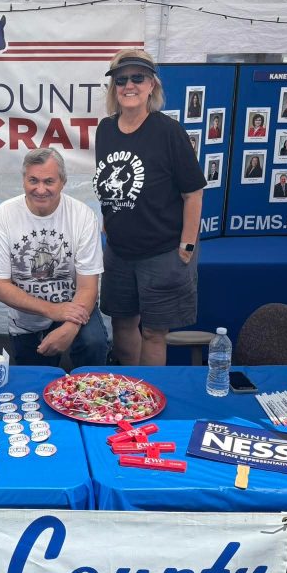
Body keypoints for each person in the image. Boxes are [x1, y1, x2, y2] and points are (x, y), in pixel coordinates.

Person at [95, 49, 205, 366]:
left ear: (152, 84)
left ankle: (148, 398)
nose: (129, 85)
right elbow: (107, 178)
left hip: (162, 251)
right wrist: (108, 218)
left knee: (154, 333)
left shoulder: (168, 132)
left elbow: (193, 193)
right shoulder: (105, 129)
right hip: (119, 252)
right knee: (122, 323)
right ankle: (128, 391)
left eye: (137, 78)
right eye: (121, 79)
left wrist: (186, 244)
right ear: (114, 87)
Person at [0, 148, 107, 368]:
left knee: (94, 343)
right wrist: (53, 310)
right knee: (34, 381)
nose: (40, 189)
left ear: (63, 182)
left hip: (74, 308)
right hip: (26, 318)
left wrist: (69, 325)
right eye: (33, 180)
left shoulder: (83, 216)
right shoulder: (4, 215)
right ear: (23, 180)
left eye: (49, 181)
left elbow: (88, 287)